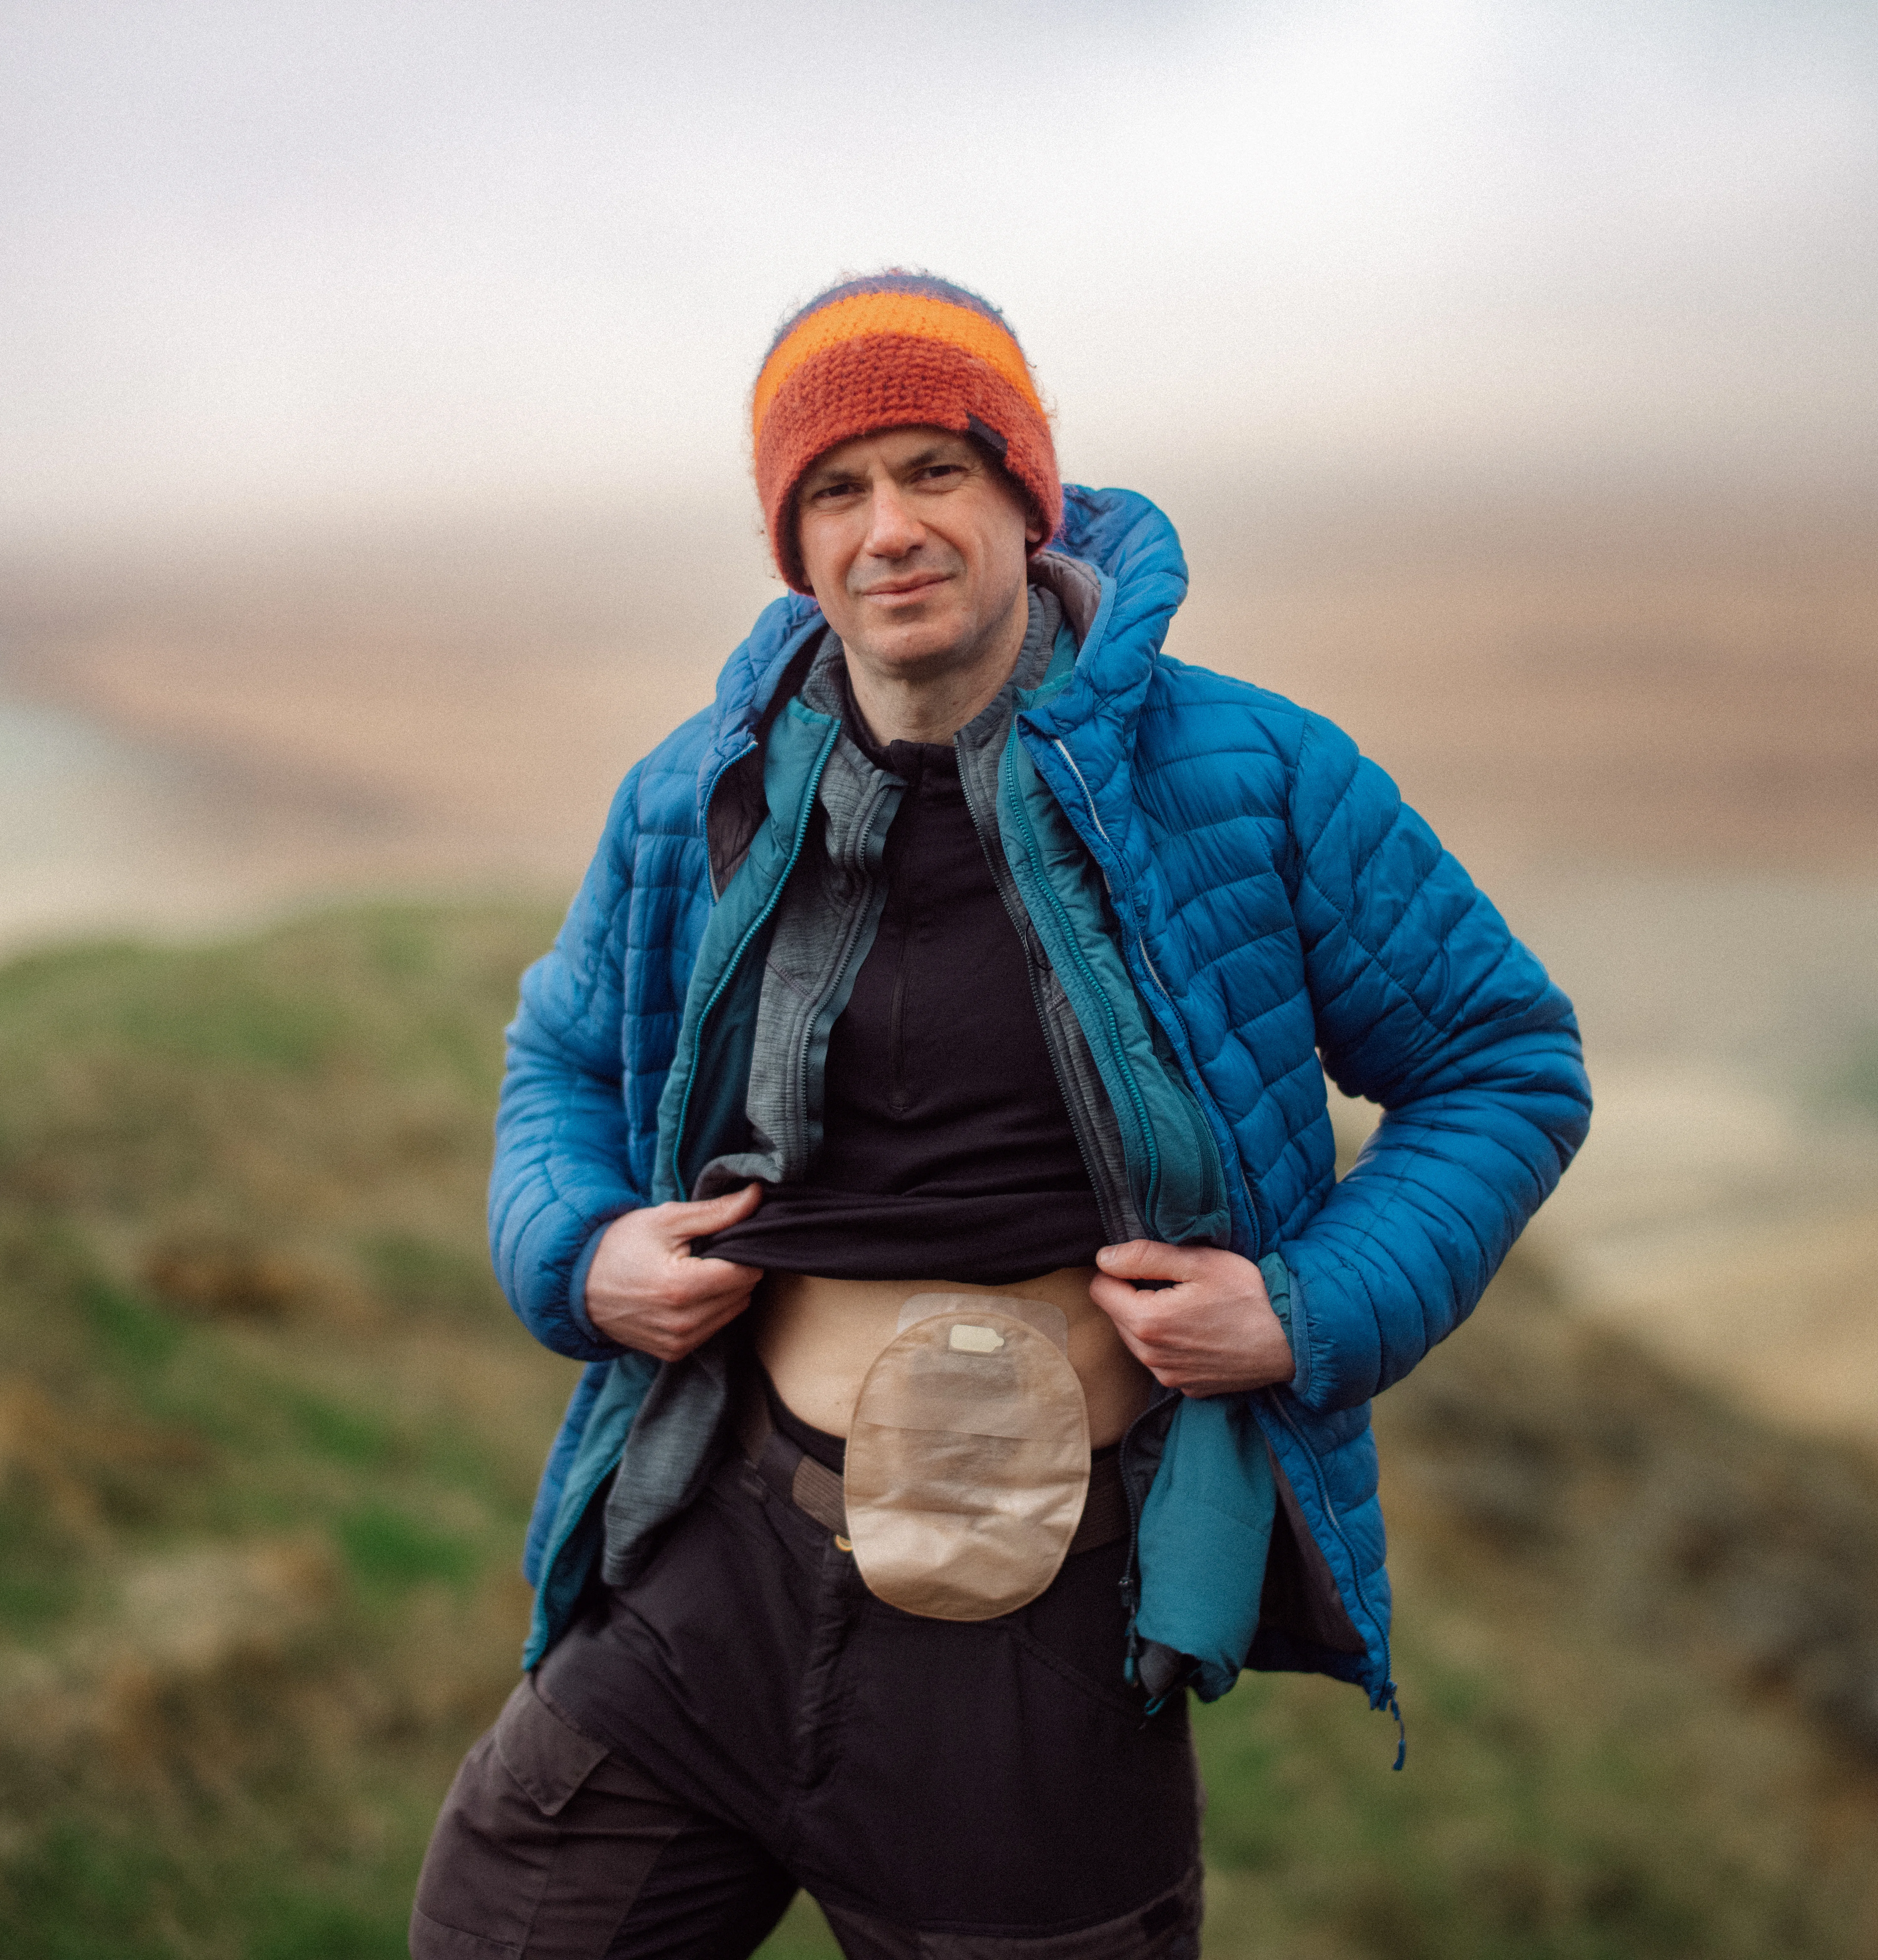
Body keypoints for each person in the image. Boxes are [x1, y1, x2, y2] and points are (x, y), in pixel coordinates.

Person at [410, 270, 1590, 1960]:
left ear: (1026, 499)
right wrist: (579, 1258)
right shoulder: (699, 794)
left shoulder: (1252, 776)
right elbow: (561, 1066)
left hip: (1039, 1644)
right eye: (837, 489)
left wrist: (1307, 1307)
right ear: (793, 543)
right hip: (712, 1565)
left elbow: (1506, 1062)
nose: (889, 528)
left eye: (935, 471)